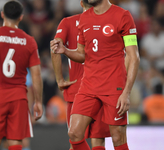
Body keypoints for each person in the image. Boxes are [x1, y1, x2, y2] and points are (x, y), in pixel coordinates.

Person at [50, 0, 140, 150]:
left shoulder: (122, 16)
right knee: (74, 133)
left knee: (118, 137)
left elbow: (134, 56)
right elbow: (82, 54)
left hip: (114, 86)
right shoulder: (84, 19)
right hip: (89, 86)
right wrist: (65, 50)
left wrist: (126, 92)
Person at [0, 1, 43, 150]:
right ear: (21, 17)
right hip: (18, 98)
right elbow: (36, 74)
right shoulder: (29, 41)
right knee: (16, 143)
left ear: (2, 14)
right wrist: (38, 101)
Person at [51, 0, 110, 150]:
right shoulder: (107, 22)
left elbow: (55, 48)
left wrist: (60, 79)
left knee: (75, 141)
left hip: (77, 90)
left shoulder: (68, 22)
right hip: (102, 89)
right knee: (99, 142)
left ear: (81, 3)